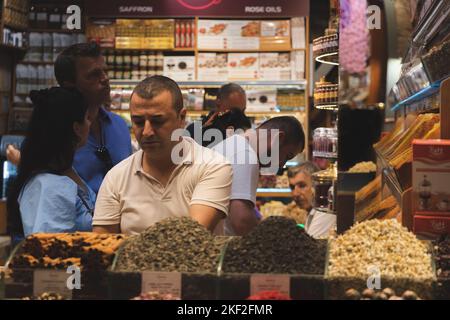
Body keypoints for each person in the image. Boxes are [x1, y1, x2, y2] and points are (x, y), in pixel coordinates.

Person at [92, 76, 232, 235]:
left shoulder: (212, 166)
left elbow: (193, 238)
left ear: (181, 119)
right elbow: (102, 244)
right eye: (138, 122)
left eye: (157, 121)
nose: (146, 132)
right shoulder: (116, 177)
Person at [6, 42, 132, 194]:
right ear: (69, 85)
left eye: (105, 71)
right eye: (94, 75)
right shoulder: (52, 134)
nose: (105, 79)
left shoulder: (120, 125)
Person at [7, 87, 95, 238]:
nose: (90, 123)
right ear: (76, 128)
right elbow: (51, 249)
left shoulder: (63, 171)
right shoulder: (50, 187)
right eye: (87, 118)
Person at [212, 116, 305, 236]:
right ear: (278, 139)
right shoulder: (246, 156)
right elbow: (241, 220)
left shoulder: (236, 144)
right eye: (287, 156)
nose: (282, 164)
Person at [287, 162, 336, 238]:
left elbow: (311, 246)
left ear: (316, 186)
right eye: (292, 187)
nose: (295, 193)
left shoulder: (325, 210)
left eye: (302, 186)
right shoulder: (312, 211)